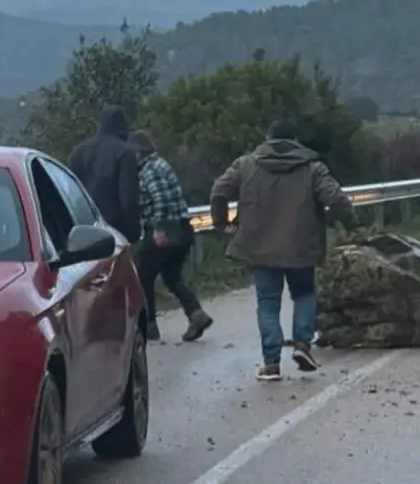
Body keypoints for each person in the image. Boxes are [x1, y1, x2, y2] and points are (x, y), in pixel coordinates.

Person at [209, 118, 355, 382]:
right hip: (302, 247)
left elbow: (219, 191)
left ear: (268, 138)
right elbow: (336, 198)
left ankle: (271, 363)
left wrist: (223, 224)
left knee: (267, 303)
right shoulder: (312, 168)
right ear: (295, 141)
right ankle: (302, 345)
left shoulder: (246, 164)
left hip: (260, 247)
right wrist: (348, 223)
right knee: (304, 294)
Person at [130, 129, 212, 342]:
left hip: (166, 229)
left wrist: (159, 229)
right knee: (172, 276)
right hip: (182, 228)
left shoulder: (150, 170)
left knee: (143, 275)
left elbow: (161, 200)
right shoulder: (161, 164)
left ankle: (149, 325)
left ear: (138, 152)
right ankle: (196, 314)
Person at [67, 103, 142, 240]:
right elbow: (129, 199)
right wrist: (133, 234)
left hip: (85, 229)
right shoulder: (125, 153)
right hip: (116, 231)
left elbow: (72, 195)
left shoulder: (78, 153)